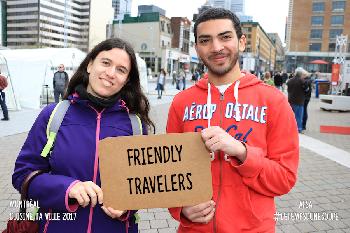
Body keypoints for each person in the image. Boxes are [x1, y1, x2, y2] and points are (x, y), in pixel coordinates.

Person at [166, 8, 299, 233]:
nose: (216, 47)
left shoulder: (273, 101)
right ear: (197, 48)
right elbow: (169, 171)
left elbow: (285, 178)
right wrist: (180, 208)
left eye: (225, 37)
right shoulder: (181, 103)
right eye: (205, 40)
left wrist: (243, 152)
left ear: (242, 42)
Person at [12, 38, 155, 233]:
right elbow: (23, 175)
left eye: (121, 70)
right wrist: (66, 188)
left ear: (127, 80)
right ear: (89, 65)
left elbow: (145, 185)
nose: (111, 73)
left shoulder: (135, 125)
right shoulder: (54, 115)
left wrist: (127, 206)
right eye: (105, 63)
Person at [287, 67, 309, 133]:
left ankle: (290, 128)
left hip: (290, 100)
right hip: (299, 101)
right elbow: (306, 90)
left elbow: (288, 90)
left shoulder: (290, 80)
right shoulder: (302, 81)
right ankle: (298, 129)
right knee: (299, 116)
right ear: (300, 74)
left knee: (291, 116)